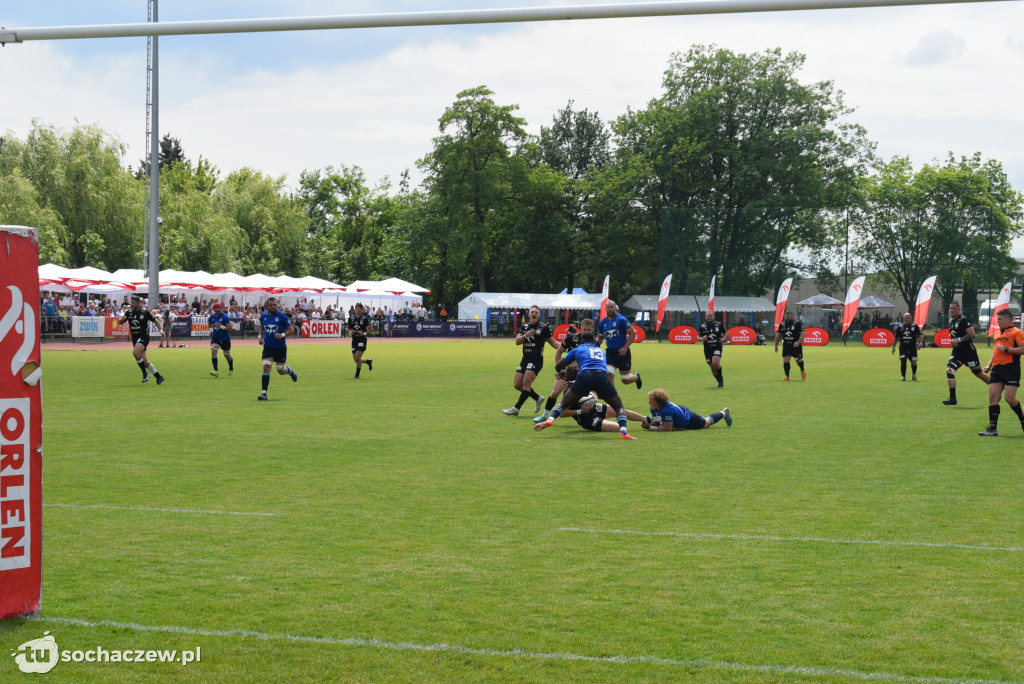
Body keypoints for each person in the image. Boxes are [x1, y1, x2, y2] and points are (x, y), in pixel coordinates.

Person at [534, 331, 637, 440]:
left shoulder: (577, 349)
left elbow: (559, 365)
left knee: (563, 403)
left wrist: (559, 371)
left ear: (581, 341)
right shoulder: (600, 350)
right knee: (619, 407)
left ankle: (550, 419)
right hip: (602, 377)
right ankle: (624, 433)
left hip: (585, 377)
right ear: (593, 341)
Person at [503, 305, 559, 416]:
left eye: (536, 312)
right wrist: (526, 335)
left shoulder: (544, 328)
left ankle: (516, 408)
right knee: (517, 385)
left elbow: (553, 342)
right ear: (528, 314)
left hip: (536, 360)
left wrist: (566, 348)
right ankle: (537, 398)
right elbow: (517, 342)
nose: (534, 314)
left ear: (539, 315)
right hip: (525, 359)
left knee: (526, 384)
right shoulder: (524, 326)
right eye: (532, 312)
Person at [534, 318, 594, 422]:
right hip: (568, 372)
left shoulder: (594, 342)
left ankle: (590, 416)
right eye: (585, 329)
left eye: (589, 330)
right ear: (581, 329)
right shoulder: (572, 338)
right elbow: (559, 352)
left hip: (584, 374)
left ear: (592, 330)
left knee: (591, 395)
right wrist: (558, 370)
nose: (587, 332)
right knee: (555, 392)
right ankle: (544, 416)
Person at [978, 308, 1024, 436]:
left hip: (1011, 368)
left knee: (1009, 398)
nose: (997, 322)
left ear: (1008, 319)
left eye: (999, 319)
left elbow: (1023, 349)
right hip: (997, 369)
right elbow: (996, 351)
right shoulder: (997, 333)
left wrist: (1007, 348)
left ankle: (1022, 418)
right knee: (993, 397)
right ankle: (993, 428)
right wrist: (989, 365)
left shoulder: (1017, 332)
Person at [943, 300, 990, 406]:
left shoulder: (963, 320)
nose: (952, 310)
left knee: (979, 373)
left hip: (969, 352)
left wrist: (959, 340)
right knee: (950, 370)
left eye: (954, 308)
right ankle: (952, 399)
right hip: (957, 353)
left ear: (959, 309)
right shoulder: (951, 321)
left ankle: (996, 386)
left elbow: (972, 334)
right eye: (950, 308)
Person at [117, 295, 165, 385]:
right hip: (135, 338)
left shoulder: (145, 312)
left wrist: (161, 331)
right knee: (145, 361)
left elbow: (156, 321)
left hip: (144, 336)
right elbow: (120, 323)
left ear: (139, 304)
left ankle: (145, 374)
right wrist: (121, 320)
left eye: (133, 302)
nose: (131, 304)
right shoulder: (129, 312)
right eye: (131, 302)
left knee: (135, 353)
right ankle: (159, 377)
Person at [257, 297, 298, 401]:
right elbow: (262, 327)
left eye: (275, 305)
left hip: (280, 347)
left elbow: (291, 330)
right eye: (271, 305)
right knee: (266, 367)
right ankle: (264, 394)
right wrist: (260, 337)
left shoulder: (282, 316)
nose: (273, 307)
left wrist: (282, 335)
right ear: (267, 306)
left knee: (281, 370)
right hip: (268, 347)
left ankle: (290, 370)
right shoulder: (264, 316)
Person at [596, 300, 642, 388]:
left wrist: (625, 348)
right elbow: (600, 338)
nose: (610, 309)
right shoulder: (602, 323)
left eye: (612, 307)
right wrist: (594, 345)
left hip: (623, 353)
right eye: (608, 307)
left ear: (615, 308)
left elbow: (633, 334)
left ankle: (636, 377)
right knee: (609, 376)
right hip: (610, 353)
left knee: (625, 379)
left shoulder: (621, 320)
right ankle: (614, 400)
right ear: (605, 309)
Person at [641, 388, 732, 431]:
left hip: (691, 420)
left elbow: (668, 428)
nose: (649, 403)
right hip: (683, 412)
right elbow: (658, 420)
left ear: (658, 402)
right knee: (704, 420)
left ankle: (724, 413)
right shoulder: (654, 408)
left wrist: (650, 427)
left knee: (706, 423)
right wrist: (650, 422)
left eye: (651, 401)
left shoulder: (666, 410)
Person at [697, 310, 727, 387]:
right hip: (707, 349)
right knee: (713, 369)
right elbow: (698, 336)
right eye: (708, 316)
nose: (709, 317)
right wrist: (701, 339)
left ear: (713, 317)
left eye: (711, 316)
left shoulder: (719, 324)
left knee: (715, 362)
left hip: (717, 346)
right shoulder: (702, 326)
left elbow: (726, 333)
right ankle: (719, 380)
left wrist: (723, 338)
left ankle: (721, 381)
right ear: (705, 317)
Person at [891, 312, 923, 381]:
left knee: (913, 362)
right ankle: (903, 376)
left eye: (908, 318)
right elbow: (896, 337)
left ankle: (914, 374)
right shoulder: (900, 327)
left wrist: (920, 343)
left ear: (910, 318)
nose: (906, 319)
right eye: (905, 318)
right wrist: (893, 347)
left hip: (912, 348)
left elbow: (921, 334)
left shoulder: (915, 326)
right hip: (903, 348)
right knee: (903, 360)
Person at [774, 310, 805, 381]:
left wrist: (798, 342)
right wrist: (776, 346)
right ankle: (787, 377)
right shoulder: (782, 324)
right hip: (786, 346)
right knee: (786, 361)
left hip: (796, 346)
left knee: (799, 361)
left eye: (789, 316)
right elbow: (778, 335)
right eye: (786, 316)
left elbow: (803, 333)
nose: (787, 318)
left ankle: (802, 369)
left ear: (792, 316)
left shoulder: (797, 323)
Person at [347, 303, 374, 379]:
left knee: (358, 356)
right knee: (356, 359)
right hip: (354, 340)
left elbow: (371, 329)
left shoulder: (364, 319)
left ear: (362, 310)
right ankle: (368, 361)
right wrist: (349, 332)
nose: (358, 310)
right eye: (357, 308)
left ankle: (357, 375)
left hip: (362, 340)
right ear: (355, 309)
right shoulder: (351, 318)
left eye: (360, 308)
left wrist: (364, 333)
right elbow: (347, 328)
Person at [208, 302, 235, 377]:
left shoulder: (225, 317)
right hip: (216, 338)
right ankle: (216, 371)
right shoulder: (212, 317)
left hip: (225, 339)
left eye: (219, 308)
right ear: (214, 309)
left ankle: (231, 368)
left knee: (227, 355)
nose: (218, 309)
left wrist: (221, 326)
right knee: (213, 351)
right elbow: (210, 323)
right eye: (216, 308)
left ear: (221, 308)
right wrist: (211, 331)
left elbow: (230, 328)